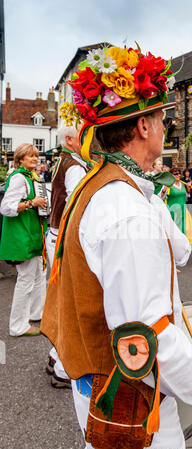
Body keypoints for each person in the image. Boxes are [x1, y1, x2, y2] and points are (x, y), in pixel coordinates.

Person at [41, 43, 192, 449]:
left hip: (96, 382)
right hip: (126, 400)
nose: (165, 129)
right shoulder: (127, 209)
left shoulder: (100, 185)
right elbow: (147, 335)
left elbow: (172, 259)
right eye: (161, 119)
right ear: (144, 126)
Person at [45, 121, 90, 389]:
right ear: (72, 140)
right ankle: (63, 368)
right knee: (70, 302)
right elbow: (77, 204)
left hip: (56, 234)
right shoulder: (73, 166)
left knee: (64, 299)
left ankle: (54, 357)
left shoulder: (64, 161)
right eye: (83, 137)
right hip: (63, 237)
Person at [0, 144, 48, 336]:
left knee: (38, 276)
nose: (35, 159)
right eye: (30, 156)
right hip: (23, 235)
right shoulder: (19, 178)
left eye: (36, 156)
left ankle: (37, 312)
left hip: (32, 233)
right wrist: (31, 203)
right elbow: (5, 207)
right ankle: (17, 326)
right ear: (20, 159)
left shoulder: (31, 177)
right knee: (26, 280)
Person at [166, 168, 192, 243]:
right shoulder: (168, 185)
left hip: (183, 210)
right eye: (175, 174)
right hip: (173, 211)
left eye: (179, 173)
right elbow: (164, 196)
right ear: (171, 175)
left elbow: (187, 195)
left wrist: (188, 189)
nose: (178, 175)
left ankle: (183, 246)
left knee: (186, 229)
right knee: (175, 231)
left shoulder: (183, 184)